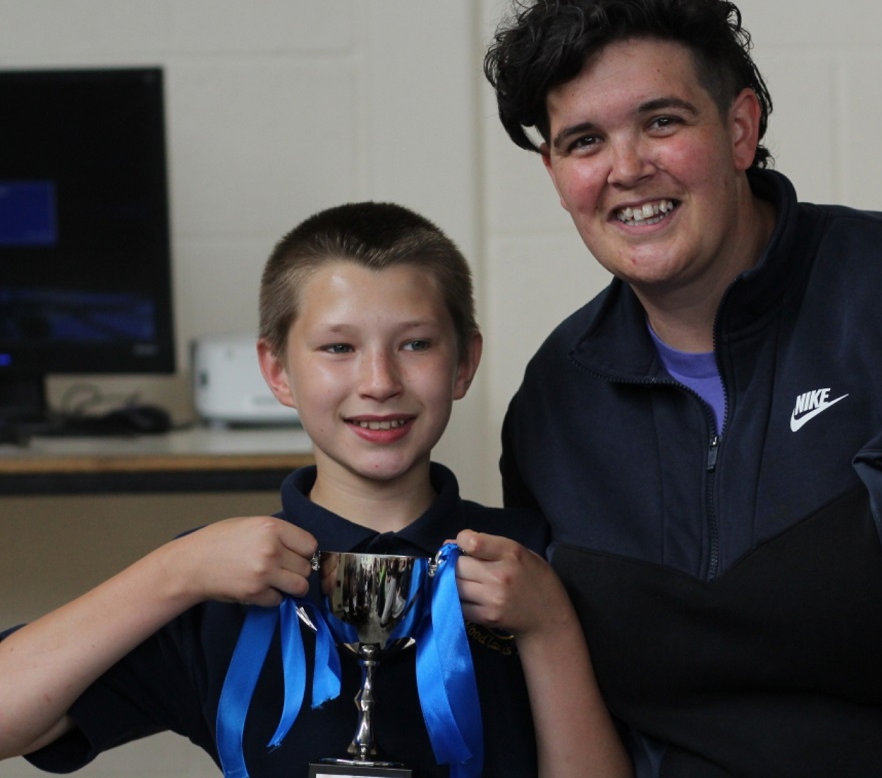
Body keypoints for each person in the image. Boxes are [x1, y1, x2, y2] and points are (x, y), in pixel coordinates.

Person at [484, 0, 882, 778]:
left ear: (739, 128)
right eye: (584, 140)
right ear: (555, 171)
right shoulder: (554, 405)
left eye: (661, 121)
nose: (626, 169)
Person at [0, 202, 632, 778]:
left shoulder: (534, 558)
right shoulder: (216, 580)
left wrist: (549, 627)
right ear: (277, 371)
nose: (379, 380)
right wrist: (173, 571)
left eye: (415, 343)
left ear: (463, 362)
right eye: (338, 347)